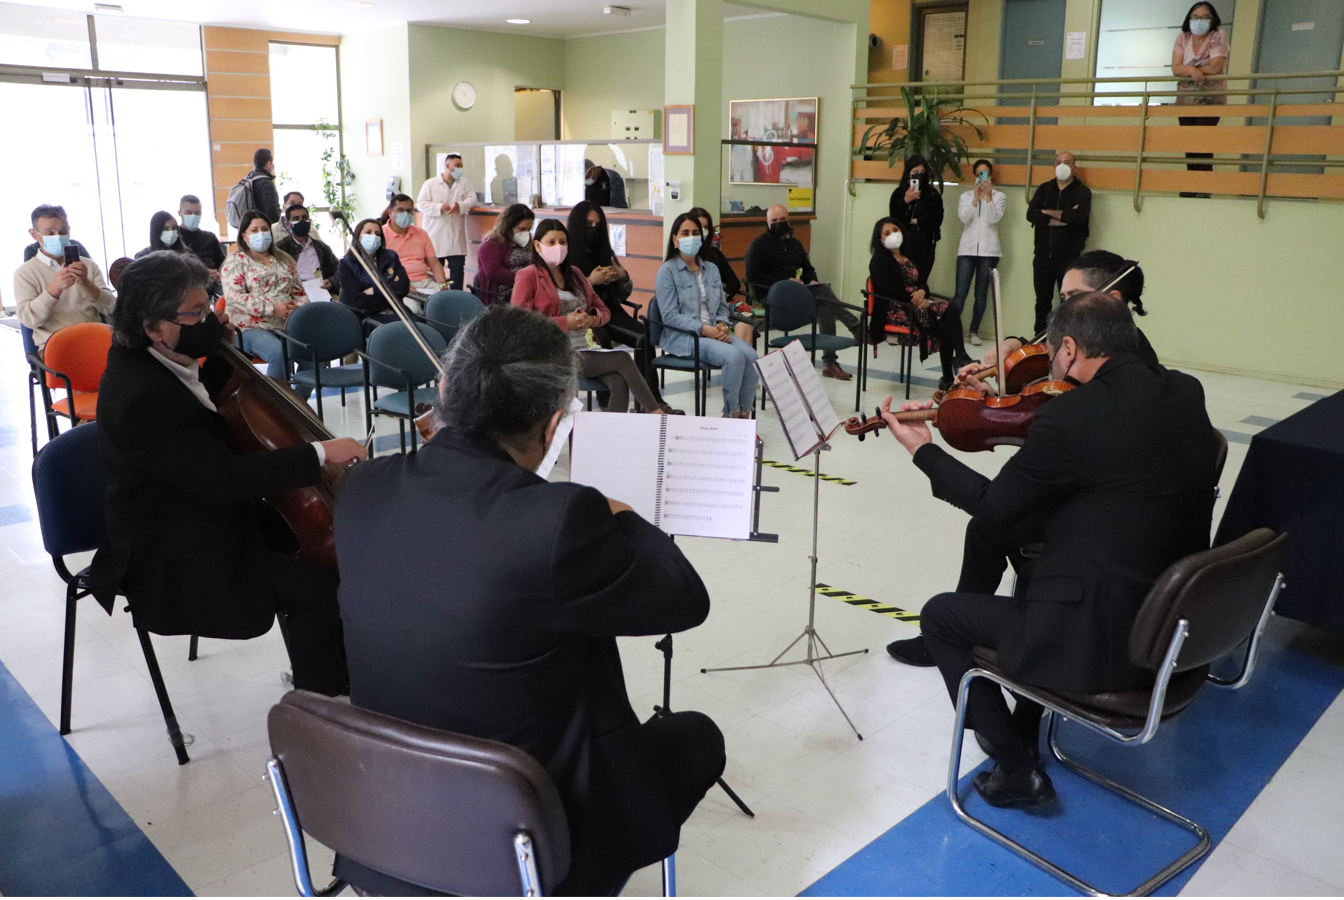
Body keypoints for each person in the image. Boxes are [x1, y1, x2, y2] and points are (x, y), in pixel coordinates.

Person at [332, 304, 724, 896]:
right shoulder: (560, 519)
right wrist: (621, 512)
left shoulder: (361, 489)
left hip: (387, 813)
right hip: (521, 832)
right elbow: (683, 599)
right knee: (696, 737)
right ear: (553, 423)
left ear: (443, 390)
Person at [880, 292, 1219, 808]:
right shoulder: (1184, 391)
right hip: (1175, 625)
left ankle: (1016, 766)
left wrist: (922, 450)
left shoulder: (1074, 416)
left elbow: (995, 508)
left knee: (943, 616)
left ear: (1068, 349)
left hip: (1106, 641)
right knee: (1034, 556)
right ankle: (1023, 720)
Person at [89, 250, 363, 696]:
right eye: (196, 315)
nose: (208, 323)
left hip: (205, 512)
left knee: (323, 547)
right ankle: (321, 708)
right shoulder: (140, 397)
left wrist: (219, 350)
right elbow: (223, 479)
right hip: (174, 549)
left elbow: (212, 421)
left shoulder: (162, 357)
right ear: (153, 327)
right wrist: (319, 453)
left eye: (206, 307)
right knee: (314, 585)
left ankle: (342, 674)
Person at [888, 251, 1161, 670]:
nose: (1063, 307)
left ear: (1114, 300)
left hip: (1095, 518)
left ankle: (1013, 639)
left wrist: (928, 445)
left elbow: (1056, 415)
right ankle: (963, 633)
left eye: (1074, 296)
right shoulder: (1099, 345)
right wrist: (1006, 361)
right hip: (1093, 490)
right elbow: (1039, 353)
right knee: (985, 531)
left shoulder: (1119, 376)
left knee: (995, 518)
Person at [513, 219, 677, 415]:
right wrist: (566, 322)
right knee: (623, 359)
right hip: (552, 354)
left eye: (563, 242)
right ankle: (655, 412)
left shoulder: (574, 274)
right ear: (537, 245)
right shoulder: (528, 275)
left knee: (618, 380)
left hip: (585, 348)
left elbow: (603, 310)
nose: (558, 247)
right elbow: (521, 322)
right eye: (551, 242)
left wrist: (591, 319)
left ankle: (610, 435)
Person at [656, 212, 759, 418]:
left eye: (695, 232)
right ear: (675, 240)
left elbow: (722, 306)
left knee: (752, 356)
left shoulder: (710, 269)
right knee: (734, 357)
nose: (691, 237)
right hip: (686, 337)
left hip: (714, 332)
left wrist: (721, 325)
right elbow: (669, 316)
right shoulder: (667, 271)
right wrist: (705, 330)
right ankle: (730, 416)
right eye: (685, 233)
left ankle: (745, 416)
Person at [745, 204, 861, 380]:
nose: (779, 223)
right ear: (767, 223)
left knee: (824, 306)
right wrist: (782, 282)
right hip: (771, 296)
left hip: (795, 293)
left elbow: (808, 269)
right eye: (774, 221)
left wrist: (812, 280)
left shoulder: (795, 244)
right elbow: (753, 277)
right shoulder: (758, 245)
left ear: (789, 220)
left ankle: (830, 363)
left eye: (782, 220)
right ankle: (856, 327)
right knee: (824, 292)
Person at [868, 217, 968, 392]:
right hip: (896, 308)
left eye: (895, 229)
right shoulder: (879, 260)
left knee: (950, 316)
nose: (893, 234)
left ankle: (951, 373)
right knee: (948, 320)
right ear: (880, 239)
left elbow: (921, 282)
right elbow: (886, 290)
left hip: (916, 303)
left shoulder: (909, 255)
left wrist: (922, 292)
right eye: (887, 233)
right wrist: (914, 299)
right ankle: (958, 361)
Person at [221, 209, 310, 394]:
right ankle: (277, 407)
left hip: (286, 323)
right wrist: (272, 309)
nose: (260, 233)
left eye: (264, 229)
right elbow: (234, 297)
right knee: (279, 354)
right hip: (249, 326)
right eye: (254, 230)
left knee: (313, 351)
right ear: (245, 236)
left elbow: (300, 293)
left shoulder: (285, 259)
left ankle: (299, 405)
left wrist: (297, 310)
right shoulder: (236, 261)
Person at [14, 204, 116, 349]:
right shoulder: (24, 273)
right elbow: (28, 320)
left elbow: (111, 308)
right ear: (34, 234)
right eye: (50, 233)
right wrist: (53, 290)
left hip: (94, 338)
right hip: (56, 345)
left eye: (63, 231)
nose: (58, 237)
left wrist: (86, 284)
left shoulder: (88, 265)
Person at [1026, 150, 1091, 333]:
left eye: (1067, 162)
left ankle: (1067, 338)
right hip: (1042, 255)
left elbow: (1077, 216)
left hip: (1069, 257)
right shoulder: (1044, 189)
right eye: (1059, 162)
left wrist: (1046, 212)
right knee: (1042, 301)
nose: (1062, 165)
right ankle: (1039, 339)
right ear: (1054, 166)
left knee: (1070, 301)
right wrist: (1062, 217)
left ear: (1074, 166)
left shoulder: (1082, 191)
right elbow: (1031, 214)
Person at [1171, 2, 1228, 193]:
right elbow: (1176, 68)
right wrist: (1192, 70)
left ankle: (1204, 186)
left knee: (1203, 142)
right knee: (1188, 141)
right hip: (1186, 99)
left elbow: (1216, 67)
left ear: (1212, 20)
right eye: (1195, 17)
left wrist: (1192, 71)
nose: (1199, 21)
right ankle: (1191, 184)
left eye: (1205, 17)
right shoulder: (1182, 37)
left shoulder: (1218, 36)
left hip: (1210, 98)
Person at [952, 159, 1006, 346]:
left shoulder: (999, 196)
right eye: (979, 174)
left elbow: (993, 219)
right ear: (974, 176)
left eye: (986, 174)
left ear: (990, 176)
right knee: (960, 293)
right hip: (967, 250)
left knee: (981, 294)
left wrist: (988, 197)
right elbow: (964, 218)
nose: (983, 177)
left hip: (989, 251)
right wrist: (976, 198)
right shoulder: (966, 196)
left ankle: (974, 331)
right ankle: (951, 330)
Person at [688, 206, 753, 344]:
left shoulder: (715, 254)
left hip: (720, 304)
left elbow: (734, 283)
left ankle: (741, 354)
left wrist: (723, 293)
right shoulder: (683, 256)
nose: (703, 231)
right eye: (699, 227)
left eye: (706, 227)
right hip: (696, 307)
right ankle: (732, 354)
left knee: (744, 311)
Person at [416, 153, 477, 290]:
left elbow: (472, 199)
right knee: (436, 274)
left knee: (457, 273)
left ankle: (456, 299)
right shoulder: (431, 184)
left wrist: (460, 206)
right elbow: (421, 204)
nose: (460, 169)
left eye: (461, 166)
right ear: (447, 166)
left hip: (456, 237)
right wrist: (439, 207)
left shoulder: (464, 183)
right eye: (457, 166)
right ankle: (438, 298)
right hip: (435, 236)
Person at [337, 217, 409, 325]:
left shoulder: (390, 256)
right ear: (358, 236)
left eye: (377, 234)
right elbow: (358, 302)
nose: (373, 236)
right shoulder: (346, 264)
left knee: (422, 325)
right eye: (368, 232)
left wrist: (373, 291)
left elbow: (404, 286)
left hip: (396, 310)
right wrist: (389, 292)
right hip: (367, 317)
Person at [887, 155, 945, 285]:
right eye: (915, 172)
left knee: (920, 282)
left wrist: (915, 221)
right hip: (902, 245)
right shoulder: (899, 193)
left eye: (922, 172)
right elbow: (894, 219)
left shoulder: (932, 194)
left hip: (925, 245)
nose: (919, 176)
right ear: (908, 173)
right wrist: (906, 201)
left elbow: (936, 219)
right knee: (902, 281)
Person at [382, 193, 447, 302]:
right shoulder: (381, 234)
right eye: (400, 210)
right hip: (398, 284)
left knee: (446, 303)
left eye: (409, 211)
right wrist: (401, 285)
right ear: (390, 213)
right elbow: (379, 269)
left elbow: (434, 263)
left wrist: (442, 284)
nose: (405, 214)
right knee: (413, 308)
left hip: (425, 283)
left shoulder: (421, 233)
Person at [275, 203, 340, 300]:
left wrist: (332, 281)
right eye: (296, 218)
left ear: (309, 221)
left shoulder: (322, 248)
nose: (301, 221)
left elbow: (339, 270)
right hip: (294, 296)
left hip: (323, 292)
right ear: (288, 224)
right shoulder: (280, 248)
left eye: (304, 217)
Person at [475, 202, 534, 306]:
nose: (526, 233)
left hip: (526, 288)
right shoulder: (492, 243)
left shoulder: (527, 243)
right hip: (502, 294)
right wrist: (524, 279)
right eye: (522, 229)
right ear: (509, 226)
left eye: (529, 229)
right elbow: (493, 271)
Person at [176, 194, 225, 296]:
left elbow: (223, 264)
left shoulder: (210, 237)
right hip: (185, 290)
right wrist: (203, 274)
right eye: (188, 213)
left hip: (212, 289)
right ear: (180, 213)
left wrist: (220, 275)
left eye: (197, 213)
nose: (193, 216)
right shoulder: (174, 238)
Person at [248, 148, 282, 225]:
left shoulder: (249, 178)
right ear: (269, 163)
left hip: (250, 225)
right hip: (263, 225)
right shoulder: (266, 183)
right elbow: (271, 211)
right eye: (272, 163)